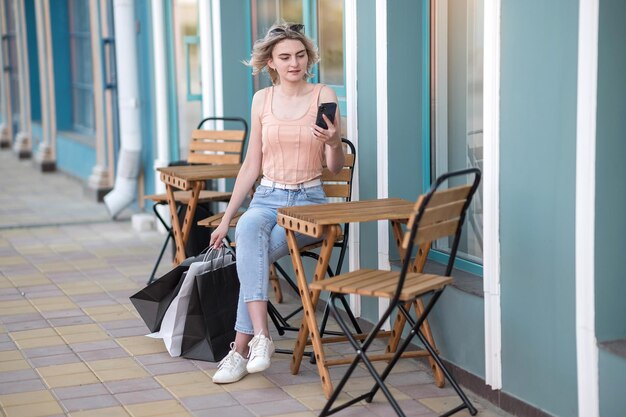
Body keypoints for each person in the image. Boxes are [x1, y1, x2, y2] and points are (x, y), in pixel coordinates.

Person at [208, 22, 344, 384]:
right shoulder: (262, 100)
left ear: (308, 58)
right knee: (248, 228)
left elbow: (336, 168)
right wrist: (225, 220)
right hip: (267, 197)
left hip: (309, 202)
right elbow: (251, 164)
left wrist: (333, 141)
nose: (294, 63)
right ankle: (262, 337)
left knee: (252, 256)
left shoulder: (323, 94)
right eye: (285, 57)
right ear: (271, 62)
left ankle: (239, 350)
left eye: (300, 55)